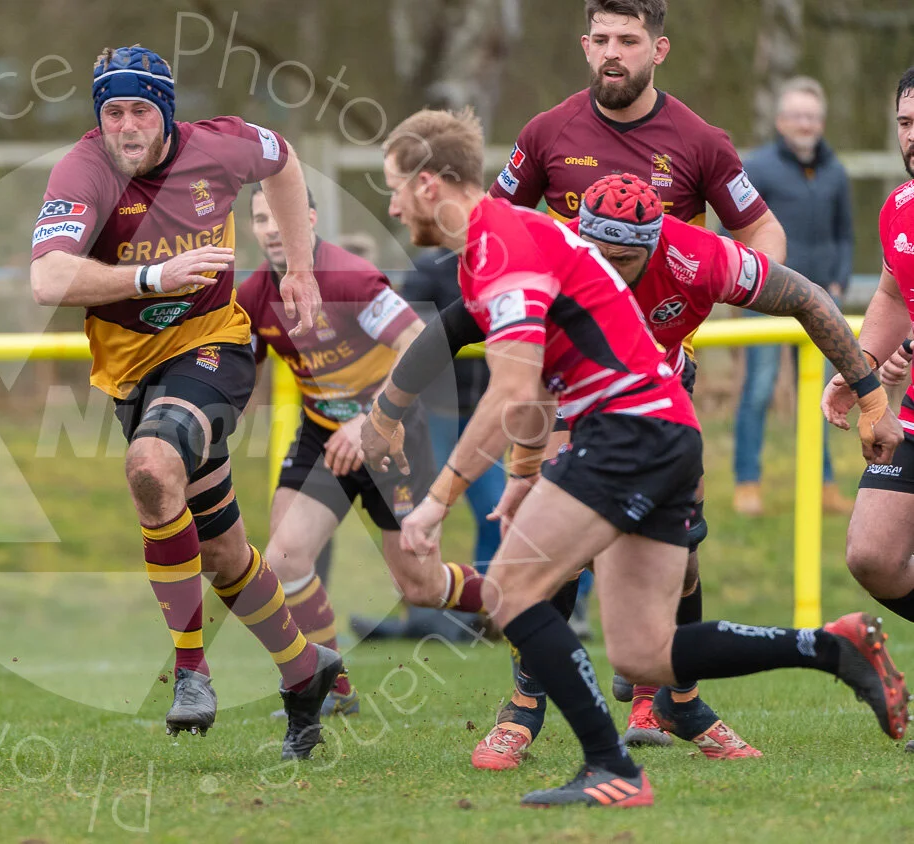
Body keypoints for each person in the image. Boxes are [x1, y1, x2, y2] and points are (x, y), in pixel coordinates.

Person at [366, 107, 906, 807]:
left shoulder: (539, 243)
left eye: (395, 187)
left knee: (514, 587)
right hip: (653, 427)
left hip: (629, 430)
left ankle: (605, 763)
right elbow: (480, 348)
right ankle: (830, 648)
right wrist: (411, 423)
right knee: (643, 650)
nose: (389, 203)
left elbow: (508, 388)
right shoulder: (520, 238)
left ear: (433, 184)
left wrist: (439, 499)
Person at [455, 173, 897, 770]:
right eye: (597, 254)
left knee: (673, 578)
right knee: (542, 556)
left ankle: (680, 704)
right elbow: (461, 332)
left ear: (656, 242)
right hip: (573, 409)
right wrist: (395, 412)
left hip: (659, 420)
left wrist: (871, 399)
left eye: (624, 258)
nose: (607, 270)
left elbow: (807, 299)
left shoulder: (697, 256)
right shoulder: (548, 255)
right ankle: (526, 709)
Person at [488, 0, 791, 744]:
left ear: (659, 48)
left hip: (660, 382)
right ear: (584, 44)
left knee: (677, 552)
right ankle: (525, 707)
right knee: (550, 541)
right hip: (566, 380)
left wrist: (705, 299)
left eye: (629, 40)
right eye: (601, 39)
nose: (613, 53)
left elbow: (762, 234)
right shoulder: (547, 132)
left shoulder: (699, 140)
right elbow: (493, 225)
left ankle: (672, 701)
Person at [28, 45, 342, 760]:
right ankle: (304, 669)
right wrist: (152, 276)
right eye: (113, 111)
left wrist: (298, 266)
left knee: (150, 464)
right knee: (225, 551)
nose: (127, 126)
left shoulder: (221, 147)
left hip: (214, 344)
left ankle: (191, 671)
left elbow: (284, 159)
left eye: (142, 110)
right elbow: (47, 280)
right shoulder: (84, 170)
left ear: (166, 113)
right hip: (129, 369)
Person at [239, 184, 478, 718]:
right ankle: (332, 685)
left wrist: (373, 419)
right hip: (323, 435)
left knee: (419, 586)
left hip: (392, 436)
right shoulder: (255, 294)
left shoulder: (348, 278)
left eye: (284, 215)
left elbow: (421, 342)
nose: (273, 227)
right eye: (261, 218)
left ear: (311, 218)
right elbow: (239, 372)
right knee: (283, 557)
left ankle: (512, 598)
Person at [350, 247, 505, 644]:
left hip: (481, 413)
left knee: (495, 510)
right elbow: (412, 328)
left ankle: (490, 613)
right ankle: (420, 613)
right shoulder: (428, 267)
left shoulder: (500, 260)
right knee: (419, 511)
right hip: (432, 411)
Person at [825, 71, 914, 756]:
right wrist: (856, 369)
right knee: (872, 555)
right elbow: (890, 290)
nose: (912, 137)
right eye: (905, 122)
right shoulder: (899, 207)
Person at [734, 77, 856, 516]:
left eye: (812, 116)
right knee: (759, 391)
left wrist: (840, 279)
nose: (805, 124)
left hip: (822, 303)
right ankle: (747, 483)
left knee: (821, 395)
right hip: (767, 300)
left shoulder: (835, 171)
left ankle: (823, 486)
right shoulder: (759, 167)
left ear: (821, 122)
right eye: (797, 115)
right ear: (781, 121)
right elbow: (738, 229)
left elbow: (845, 235)